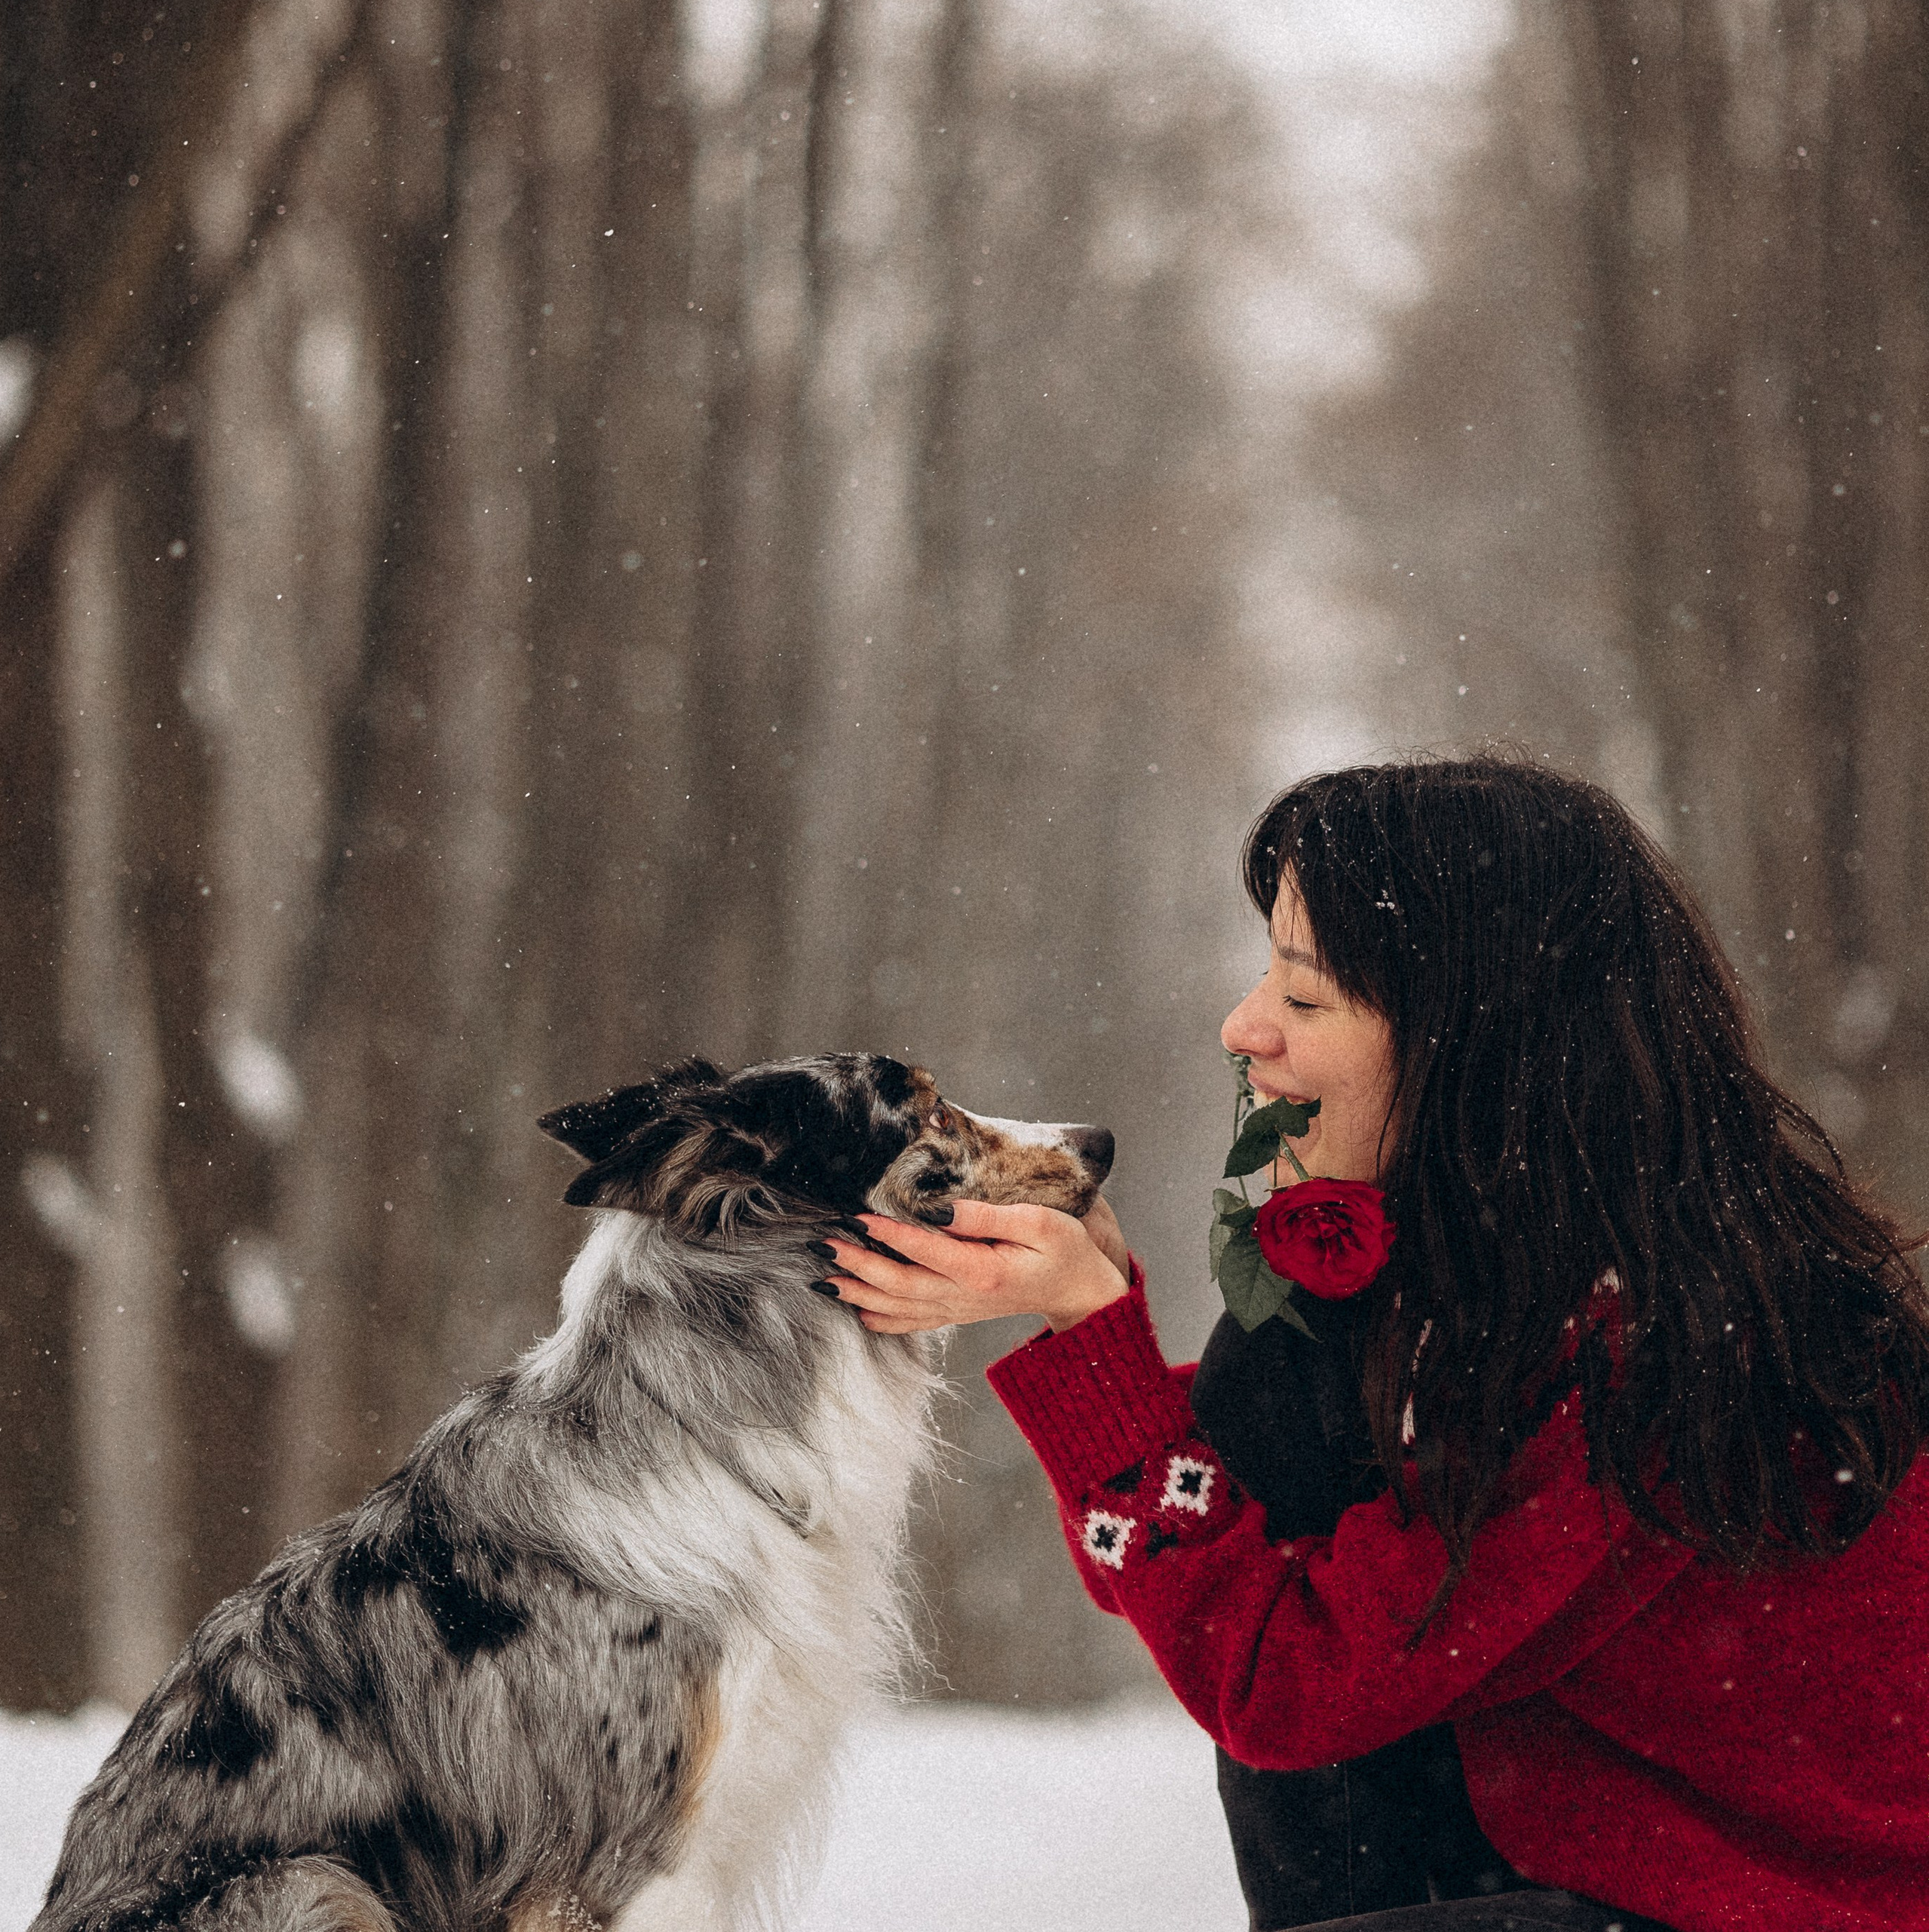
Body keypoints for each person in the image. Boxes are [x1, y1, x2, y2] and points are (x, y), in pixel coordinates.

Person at [817, 756, 1929, 1932]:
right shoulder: (1541, 1279)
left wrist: (1097, 1339)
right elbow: (1213, 1565)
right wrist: (1090, 1325)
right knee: (1287, 1352)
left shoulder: (1659, 1349)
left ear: (1473, 1043)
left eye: (1305, 998)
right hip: (1595, 1882)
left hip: (1787, 1916)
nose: (1244, 1028)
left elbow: (1278, 1678)